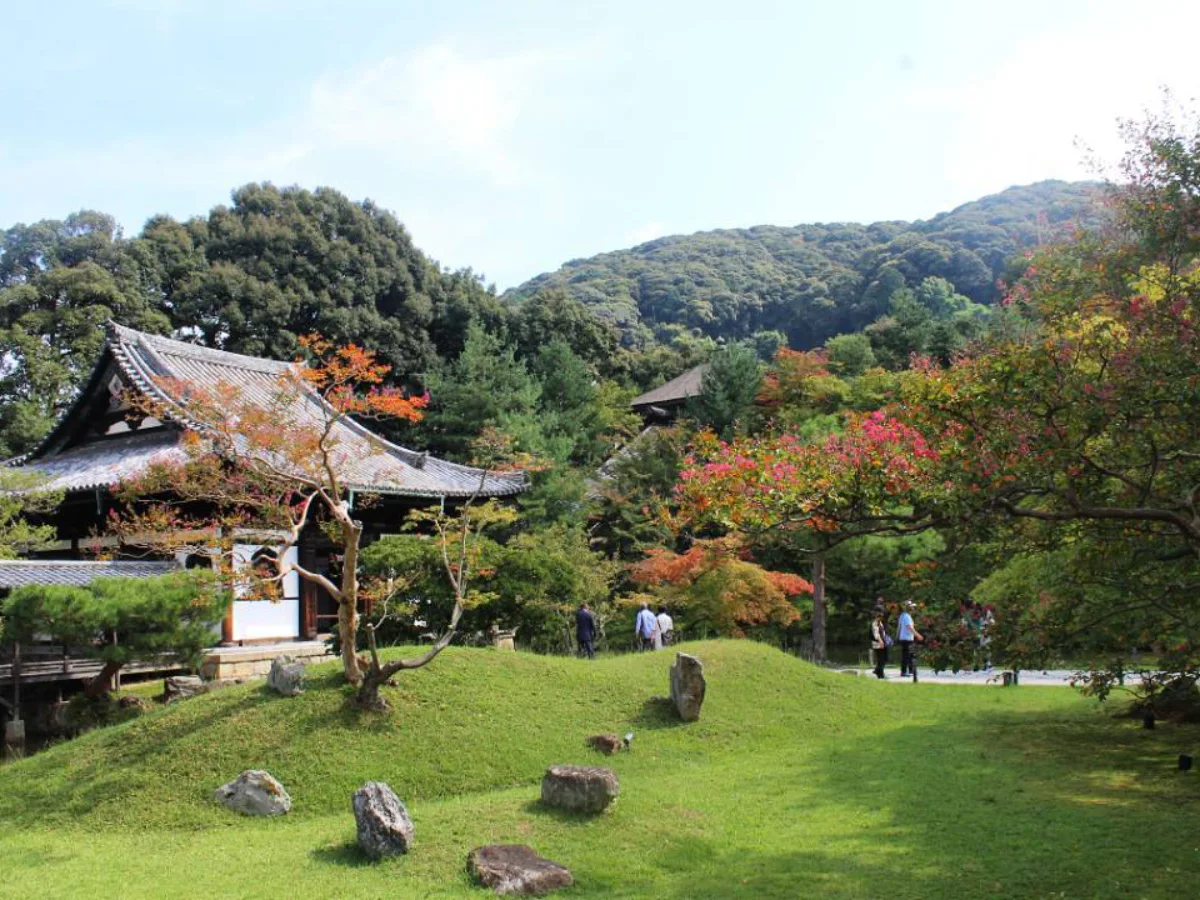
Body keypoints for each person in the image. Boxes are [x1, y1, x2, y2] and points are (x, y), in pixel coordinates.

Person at [897, 601, 923, 680]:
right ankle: (904, 671)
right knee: (907, 655)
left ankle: (911, 670)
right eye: (912, 607)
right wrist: (917, 635)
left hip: (906, 638)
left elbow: (899, 627)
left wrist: (897, 636)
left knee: (911, 655)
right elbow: (909, 627)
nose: (914, 609)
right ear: (909, 608)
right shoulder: (907, 616)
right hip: (907, 639)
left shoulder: (903, 615)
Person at [870, 608, 889, 679]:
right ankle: (880, 674)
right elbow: (876, 634)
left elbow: (882, 633)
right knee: (881, 659)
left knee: (884, 658)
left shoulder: (880, 623)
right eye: (880, 616)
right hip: (878, 644)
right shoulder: (875, 623)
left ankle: (877, 671)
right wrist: (881, 642)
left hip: (882, 642)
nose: (881, 618)